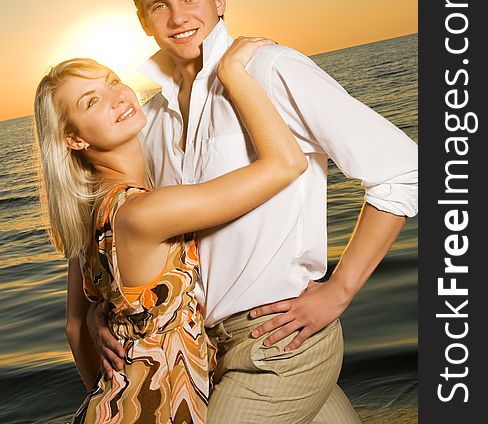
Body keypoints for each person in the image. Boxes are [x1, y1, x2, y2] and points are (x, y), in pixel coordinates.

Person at [85, 0, 418, 423]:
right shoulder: (150, 118)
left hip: (280, 343)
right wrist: (103, 312)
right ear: (143, 20)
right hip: (206, 351)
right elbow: (133, 224)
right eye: (160, 5)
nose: (178, 18)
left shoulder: (269, 68)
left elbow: (402, 170)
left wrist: (340, 289)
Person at [34, 38, 308, 423]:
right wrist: (233, 74)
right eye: (91, 101)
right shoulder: (144, 212)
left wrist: (112, 389)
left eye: (112, 80)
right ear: (74, 138)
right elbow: (286, 164)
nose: (117, 97)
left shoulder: (89, 214)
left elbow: (76, 325)